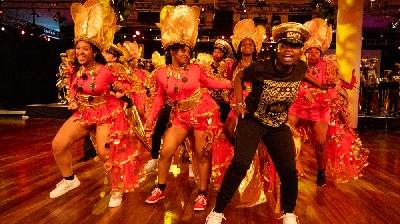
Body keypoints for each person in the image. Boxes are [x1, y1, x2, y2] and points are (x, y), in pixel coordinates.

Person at [206, 22, 333, 224]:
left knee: (289, 169)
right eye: (285, 45)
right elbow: (239, 76)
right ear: (278, 48)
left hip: (277, 125)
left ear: (301, 51)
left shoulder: (300, 66)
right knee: (240, 163)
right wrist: (239, 102)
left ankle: (289, 212)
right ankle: (218, 210)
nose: (289, 50)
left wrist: (320, 85)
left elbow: (304, 75)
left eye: (294, 46)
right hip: (253, 121)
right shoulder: (261, 67)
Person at [50, 0, 148, 208]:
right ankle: (69, 180)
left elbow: (134, 84)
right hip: (84, 114)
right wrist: (74, 101)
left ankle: (116, 189)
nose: (80, 52)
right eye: (78, 48)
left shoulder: (107, 71)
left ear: (94, 52)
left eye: (85, 49)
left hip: (105, 114)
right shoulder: (74, 71)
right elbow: (71, 87)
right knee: (58, 145)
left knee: (105, 153)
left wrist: (124, 94)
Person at [144, 5, 233, 211]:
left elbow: (211, 83)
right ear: (173, 51)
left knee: (202, 154)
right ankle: (160, 188)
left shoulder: (195, 69)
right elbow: (159, 98)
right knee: (165, 151)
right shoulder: (161, 73)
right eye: (183, 50)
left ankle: (202, 193)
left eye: (188, 50)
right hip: (180, 117)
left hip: (202, 115)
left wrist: (233, 83)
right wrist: (151, 118)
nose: (187, 53)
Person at [287, 18, 336, 187]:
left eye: (316, 51)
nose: (313, 53)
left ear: (321, 53)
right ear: (305, 52)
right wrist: (303, 92)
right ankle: (290, 167)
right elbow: (291, 84)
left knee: (319, 142)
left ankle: (321, 172)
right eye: (310, 51)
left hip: (320, 107)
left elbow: (332, 88)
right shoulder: (298, 66)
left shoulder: (328, 65)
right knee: (287, 132)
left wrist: (321, 94)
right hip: (298, 103)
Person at [323, 55, 370, 183]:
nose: (332, 69)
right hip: (327, 111)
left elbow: (349, 87)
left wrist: (354, 76)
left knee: (339, 139)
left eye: (333, 67)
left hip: (337, 111)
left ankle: (337, 168)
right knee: (328, 141)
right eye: (329, 67)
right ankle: (328, 169)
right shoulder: (323, 81)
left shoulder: (338, 80)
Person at [209, 39, 234, 123]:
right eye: (215, 51)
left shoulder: (228, 67)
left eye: (220, 52)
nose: (216, 54)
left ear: (224, 55)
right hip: (210, 101)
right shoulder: (207, 67)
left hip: (224, 102)